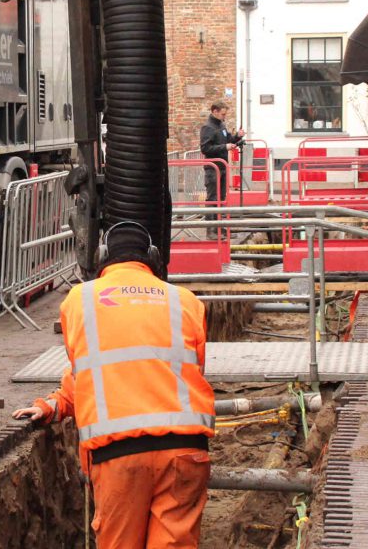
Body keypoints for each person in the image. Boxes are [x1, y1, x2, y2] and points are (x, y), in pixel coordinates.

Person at [12, 222, 215, 549]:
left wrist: (54, 405)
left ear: (102, 258)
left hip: (119, 456)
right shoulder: (186, 300)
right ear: (154, 259)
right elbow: (193, 371)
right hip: (185, 450)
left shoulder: (80, 300)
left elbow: (86, 372)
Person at [199, 101, 243, 205]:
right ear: (215, 111)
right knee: (213, 198)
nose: (225, 116)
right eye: (223, 114)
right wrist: (225, 147)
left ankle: (220, 219)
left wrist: (238, 136)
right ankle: (211, 220)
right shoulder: (208, 127)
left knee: (222, 197)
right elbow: (205, 148)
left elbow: (229, 139)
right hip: (213, 168)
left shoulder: (222, 125)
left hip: (223, 166)